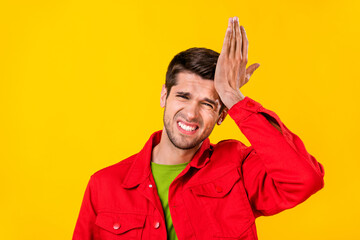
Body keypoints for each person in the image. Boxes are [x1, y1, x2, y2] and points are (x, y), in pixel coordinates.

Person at [73, 16, 325, 240]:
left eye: (207, 103)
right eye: (183, 96)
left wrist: (233, 96)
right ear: (164, 96)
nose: (191, 114)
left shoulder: (238, 167)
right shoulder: (103, 185)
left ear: (222, 114)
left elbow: (304, 179)